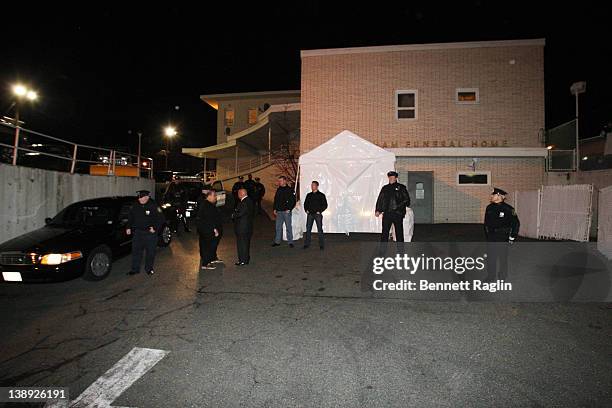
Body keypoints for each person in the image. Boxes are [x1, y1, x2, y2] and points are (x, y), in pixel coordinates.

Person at [484, 187, 520, 281]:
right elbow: (486, 223)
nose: (491, 196)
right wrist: (488, 235)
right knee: (491, 259)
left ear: (500, 196)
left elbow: (516, 223)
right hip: (492, 237)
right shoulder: (489, 207)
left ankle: (502, 277)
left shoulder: (509, 209)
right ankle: (491, 277)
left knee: (502, 258)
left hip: (502, 237)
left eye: (493, 194)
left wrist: (512, 237)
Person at [126, 190, 165, 276]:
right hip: (138, 232)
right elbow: (131, 216)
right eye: (139, 199)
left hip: (150, 234)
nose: (140, 200)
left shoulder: (154, 205)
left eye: (142, 199)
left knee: (150, 252)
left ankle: (149, 269)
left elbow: (161, 218)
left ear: (147, 197)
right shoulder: (135, 205)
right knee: (136, 252)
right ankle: (135, 269)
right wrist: (128, 227)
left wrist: (155, 228)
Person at [375, 171, 411, 242]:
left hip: (397, 214)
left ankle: (401, 251)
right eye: (390, 177)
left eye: (393, 177)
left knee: (399, 232)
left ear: (396, 178)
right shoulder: (385, 188)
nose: (391, 178)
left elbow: (407, 200)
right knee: (385, 232)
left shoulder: (401, 187)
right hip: (387, 213)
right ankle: (382, 250)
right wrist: (378, 210)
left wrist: (398, 207)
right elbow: (380, 199)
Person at [196, 190, 222, 270]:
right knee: (207, 246)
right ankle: (206, 263)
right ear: (209, 196)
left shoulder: (209, 204)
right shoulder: (206, 205)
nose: (216, 197)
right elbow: (208, 219)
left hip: (208, 229)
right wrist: (214, 229)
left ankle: (212, 258)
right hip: (207, 230)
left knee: (212, 245)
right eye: (214, 196)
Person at [271, 176, 296, 248]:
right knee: (278, 227)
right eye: (279, 181)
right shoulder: (278, 189)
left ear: (285, 181)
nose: (279, 182)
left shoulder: (290, 190)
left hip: (286, 212)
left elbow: (293, 200)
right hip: (279, 211)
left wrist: (289, 209)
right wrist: (274, 209)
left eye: (281, 181)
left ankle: (290, 242)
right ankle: (277, 241)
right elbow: (276, 200)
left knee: (288, 227)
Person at [303, 181, 328, 250]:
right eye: (311, 185)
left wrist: (319, 211)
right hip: (310, 214)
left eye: (313, 185)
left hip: (318, 215)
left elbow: (325, 205)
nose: (312, 186)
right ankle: (307, 244)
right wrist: (306, 210)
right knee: (308, 229)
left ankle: (321, 245)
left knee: (319, 229)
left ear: (317, 186)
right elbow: (305, 204)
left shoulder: (321, 195)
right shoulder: (309, 195)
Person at [233, 188, 254, 265]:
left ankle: (242, 260)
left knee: (242, 244)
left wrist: (233, 215)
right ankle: (246, 258)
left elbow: (239, 213)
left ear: (241, 194)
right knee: (246, 243)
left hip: (242, 227)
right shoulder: (249, 201)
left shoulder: (243, 203)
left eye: (238, 193)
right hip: (248, 226)